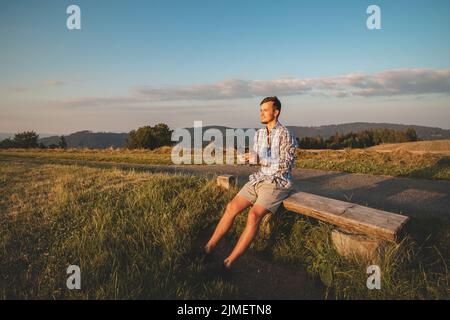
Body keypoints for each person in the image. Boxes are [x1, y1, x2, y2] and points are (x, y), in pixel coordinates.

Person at [204, 96, 298, 271]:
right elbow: (257, 159)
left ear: (276, 112)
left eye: (265, 110)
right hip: (259, 178)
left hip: (277, 182)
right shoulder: (260, 134)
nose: (261, 113)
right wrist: (246, 158)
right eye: (260, 110)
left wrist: (260, 159)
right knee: (231, 207)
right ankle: (208, 249)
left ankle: (228, 263)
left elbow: (286, 163)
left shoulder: (286, 134)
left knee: (253, 215)